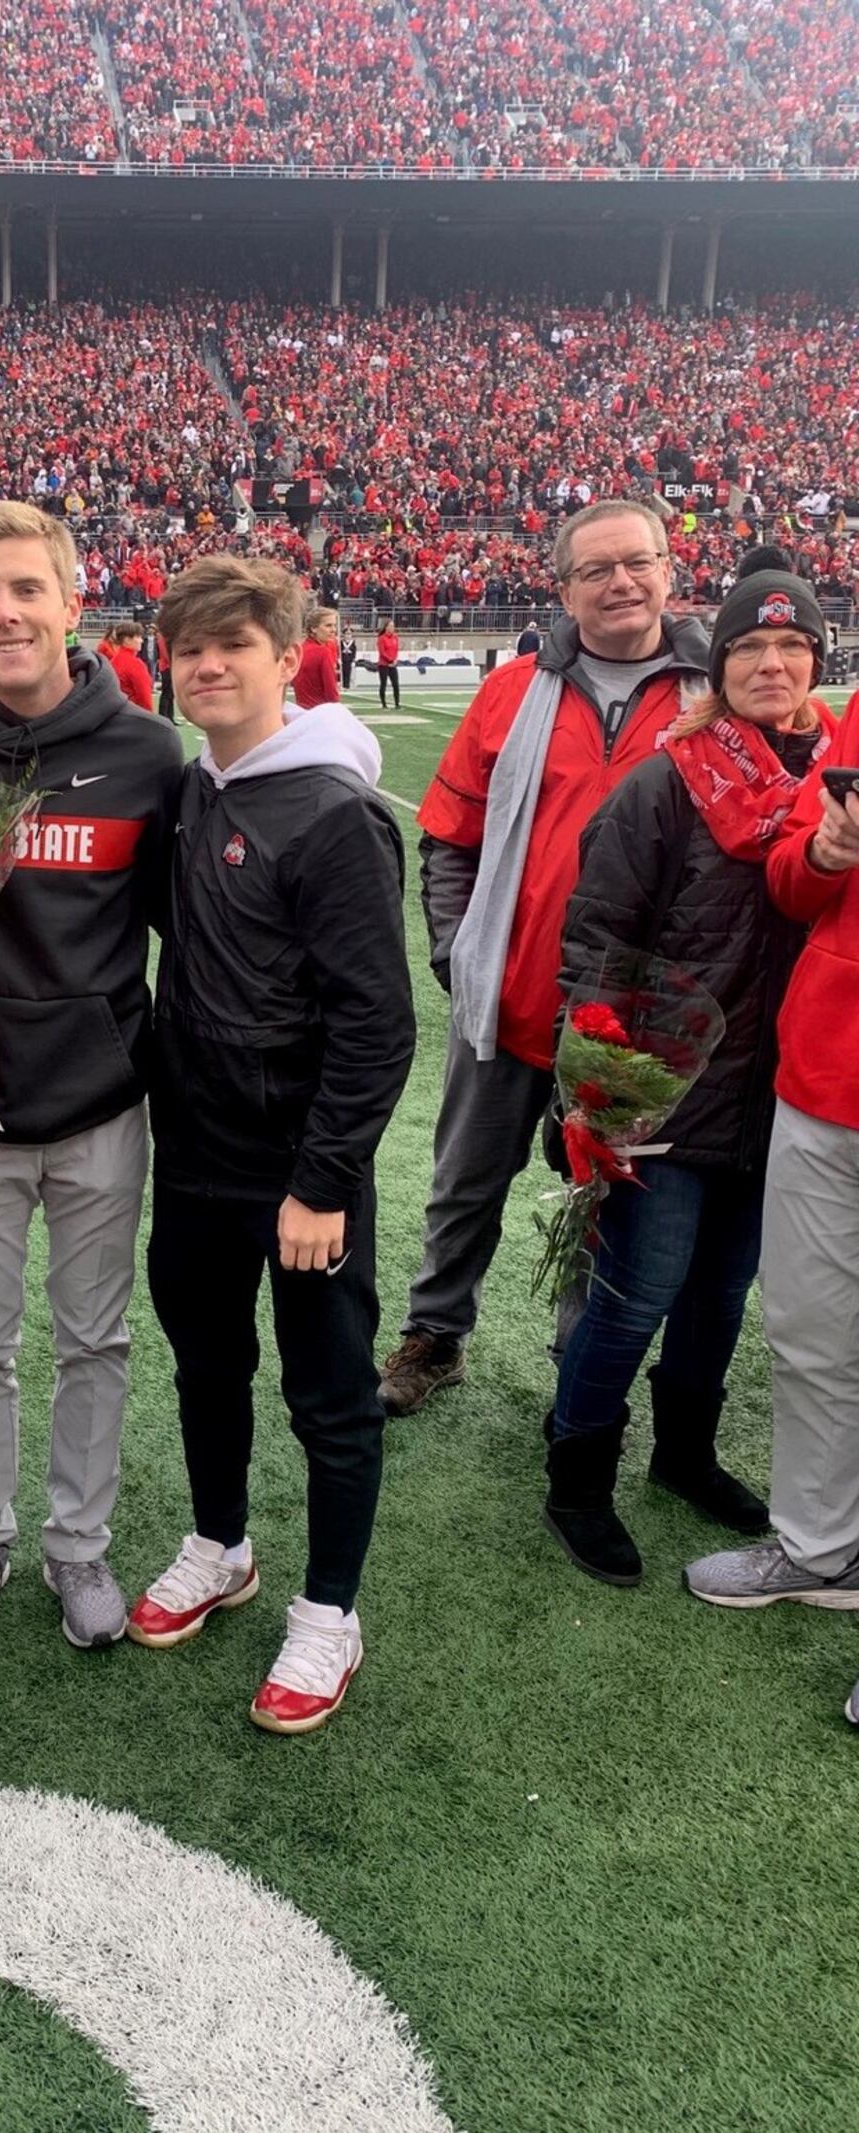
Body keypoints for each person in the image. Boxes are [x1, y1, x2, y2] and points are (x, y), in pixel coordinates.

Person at [127, 558, 415, 1733]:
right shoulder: (197, 789)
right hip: (195, 1153)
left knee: (331, 1398)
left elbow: (376, 1023)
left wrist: (322, 1181)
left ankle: (329, 1612)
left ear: (286, 656)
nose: (208, 665)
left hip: (299, 1177)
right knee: (206, 1368)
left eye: (233, 646)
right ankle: (220, 1543)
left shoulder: (332, 811)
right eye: (189, 647)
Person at [0, 501, 183, 1653]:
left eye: (28, 590)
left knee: (93, 1342)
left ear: (74, 603)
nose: (8, 612)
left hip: (101, 1104)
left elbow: (182, 930)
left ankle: (79, 1548)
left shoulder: (145, 753)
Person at [379, 502, 710, 1416]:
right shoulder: (512, 689)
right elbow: (449, 838)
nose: (621, 583)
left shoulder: (710, 701)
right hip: (510, 998)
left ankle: (582, 1355)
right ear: (563, 588)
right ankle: (436, 1335)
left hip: (631, 1023)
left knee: (604, 1204)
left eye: (637, 563)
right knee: (463, 1183)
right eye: (596, 570)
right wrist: (456, 951)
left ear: (668, 571)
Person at [544, 557, 835, 1585]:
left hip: (786, 1097)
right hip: (669, 1089)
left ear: (816, 659)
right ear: (717, 666)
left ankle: (682, 1456)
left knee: (720, 1297)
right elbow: (598, 930)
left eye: (789, 646)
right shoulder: (670, 778)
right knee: (633, 1295)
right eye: (748, 648)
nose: (769, 663)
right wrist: (594, 1083)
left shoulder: (836, 787)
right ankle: (575, 1478)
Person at [683, 676, 859, 1682]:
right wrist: (823, 853)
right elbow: (791, 876)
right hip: (823, 1074)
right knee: (805, 1331)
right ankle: (819, 1547)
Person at [294, 607, 342, 709]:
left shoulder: (301, 649)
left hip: (302, 710)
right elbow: (331, 692)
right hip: (321, 712)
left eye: (334, 625)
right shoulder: (323, 653)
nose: (333, 630)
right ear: (313, 628)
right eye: (328, 625)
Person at [375, 617, 400, 708]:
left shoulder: (395, 637)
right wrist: (390, 660)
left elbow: (396, 650)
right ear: (386, 627)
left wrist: (395, 660)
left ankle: (397, 703)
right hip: (384, 664)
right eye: (390, 626)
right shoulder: (382, 638)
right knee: (383, 683)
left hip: (393, 664)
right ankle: (384, 703)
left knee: (396, 684)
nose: (391, 628)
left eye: (393, 626)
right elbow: (382, 652)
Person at [339, 626, 359, 692]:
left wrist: (353, 660)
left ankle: (347, 687)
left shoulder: (352, 643)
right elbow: (339, 651)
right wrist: (338, 658)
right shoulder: (341, 643)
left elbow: (354, 652)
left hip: (349, 660)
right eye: (347, 634)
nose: (348, 635)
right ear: (344, 634)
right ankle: (342, 685)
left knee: (348, 673)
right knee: (342, 673)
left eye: (349, 634)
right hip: (343, 660)